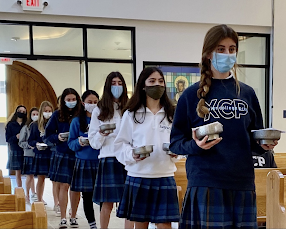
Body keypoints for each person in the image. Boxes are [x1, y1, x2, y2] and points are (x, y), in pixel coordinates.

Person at [169, 24, 278, 229]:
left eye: (232, 49)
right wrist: (195, 146)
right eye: (221, 49)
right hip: (206, 182)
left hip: (242, 182)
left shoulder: (247, 93)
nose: (227, 54)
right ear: (209, 53)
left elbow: (253, 139)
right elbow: (175, 142)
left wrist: (264, 146)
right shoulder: (191, 95)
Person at [114, 67, 180, 229]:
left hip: (164, 175)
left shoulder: (172, 113)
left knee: (165, 225)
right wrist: (132, 155)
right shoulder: (131, 114)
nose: (157, 85)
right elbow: (120, 145)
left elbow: (179, 142)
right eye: (152, 81)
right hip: (139, 175)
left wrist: (176, 152)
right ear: (143, 86)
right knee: (140, 225)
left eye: (160, 81)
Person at [88, 72, 132, 229]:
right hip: (108, 157)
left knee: (128, 202)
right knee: (107, 203)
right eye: (114, 83)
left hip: (127, 158)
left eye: (120, 83)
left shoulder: (130, 107)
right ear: (108, 86)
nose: (117, 86)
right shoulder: (99, 110)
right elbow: (93, 142)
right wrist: (101, 133)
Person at [44, 88, 81, 229]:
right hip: (63, 153)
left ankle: (73, 216)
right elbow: (47, 135)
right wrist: (57, 137)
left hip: (78, 152)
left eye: (73, 99)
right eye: (68, 100)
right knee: (64, 186)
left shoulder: (81, 114)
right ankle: (64, 217)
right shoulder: (57, 115)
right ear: (63, 101)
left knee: (76, 187)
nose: (71, 102)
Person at [68, 90, 100, 229]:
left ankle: (103, 223)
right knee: (87, 196)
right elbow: (71, 143)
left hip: (99, 161)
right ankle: (92, 224)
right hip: (84, 161)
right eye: (89, 102)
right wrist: (79, 142)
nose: (92, 105)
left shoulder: (102, 119)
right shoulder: (77, 121)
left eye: (95, 103)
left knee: (102, 196)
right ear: (83, 103)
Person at [28, 101, 54, 205]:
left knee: (54, 180)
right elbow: (30, 140)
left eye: (49, 111)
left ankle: (56, 202)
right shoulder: (35, 125)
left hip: (51, 152)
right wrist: (37, 143)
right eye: (45, 111)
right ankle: (39, 199)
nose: (48, 113)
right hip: (40, 153)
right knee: (41, 178)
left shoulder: (53, 123)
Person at [18, 107, 39, 203]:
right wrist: (29, 145)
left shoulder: (42, 126)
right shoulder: (26, 127)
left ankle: (37, 195)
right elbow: (21, 142)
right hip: (29, 154)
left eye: (37, 114)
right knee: (29, 176)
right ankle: (27, 195)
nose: (35, 116)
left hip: (39, 154)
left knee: (39, 177)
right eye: (33, 114)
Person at [5, 105, 27, 187]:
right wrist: (16, 137)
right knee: (18, 172)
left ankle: (29, 192)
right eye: (20, 111)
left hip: (25, 149)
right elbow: (8, 139)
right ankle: (20, 189)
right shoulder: (10, 124)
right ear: (16, 112)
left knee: (28, 173)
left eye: (24, 112)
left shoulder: (26, 124)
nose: (21, 113)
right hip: (15, 149)